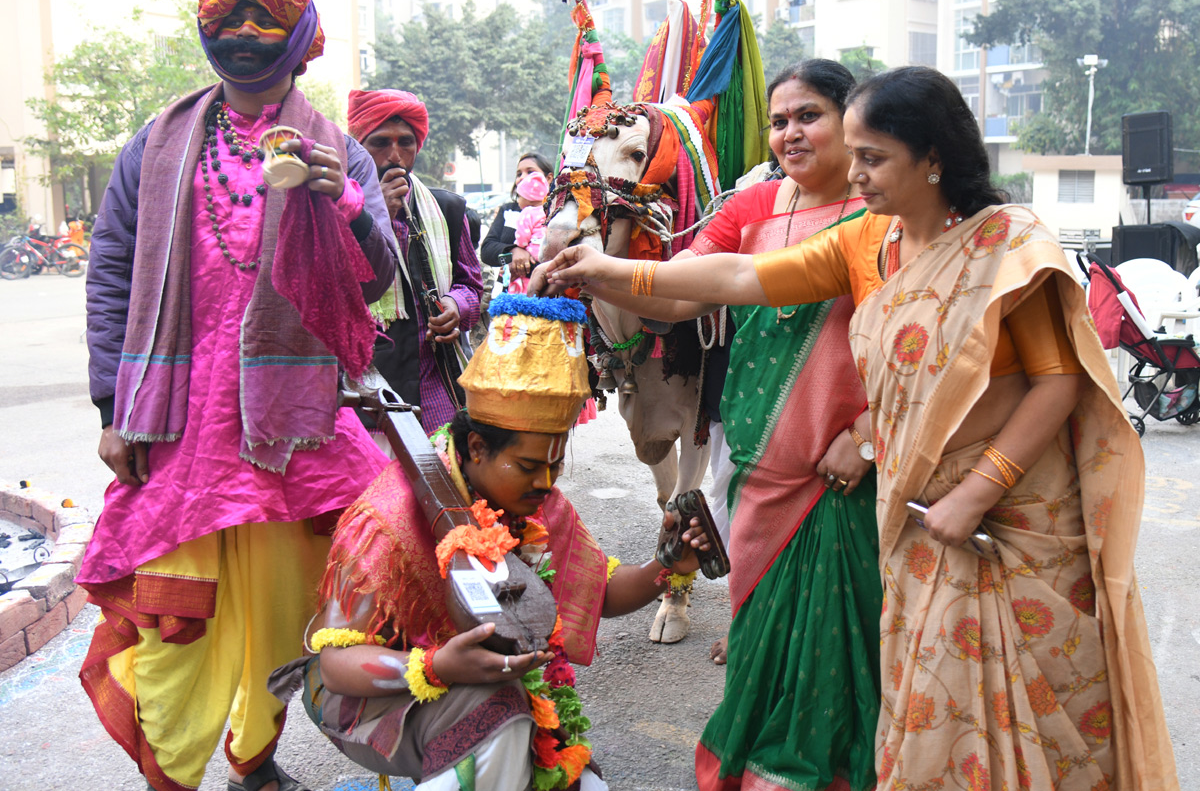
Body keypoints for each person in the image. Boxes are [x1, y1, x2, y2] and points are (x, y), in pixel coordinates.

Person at [537, 66, 1179, 790]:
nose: (858, 174)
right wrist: (604, 270)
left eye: (872, 157)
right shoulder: (869, 242)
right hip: (915, 515)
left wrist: (977, 489)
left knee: (1022, 703)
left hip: (1009, 514)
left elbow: (1058, 380)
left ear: (931, 155)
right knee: (932, 700)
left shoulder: (1006, 244)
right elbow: (739, 279)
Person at [78, 0, 397, 791]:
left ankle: (253, 762)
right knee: (175, 624)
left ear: (299, 35)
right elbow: (110, 271)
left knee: (287, 614)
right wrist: (112, 405)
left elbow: (374, 284)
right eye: (228, 18)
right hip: (178, 428)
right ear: (207, 31)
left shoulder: (341, 149)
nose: (244, 33)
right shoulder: (157, 142)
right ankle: (172, 777)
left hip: (292, 432)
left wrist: (348, 206)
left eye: (264, 18)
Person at [549, 60, 882, 791]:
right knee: (762, 649)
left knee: (839, 657)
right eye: (779, 119)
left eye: (810, 115)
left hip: (845, 475)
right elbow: (678, 297)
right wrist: (597, 273)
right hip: (759, 463)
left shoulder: (881, 214)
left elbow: (916, 350)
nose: (790, 132)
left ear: (851, 120)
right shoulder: (750, 205)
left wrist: (866, 437)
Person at [268, 294, 712, 790]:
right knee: (500, 717)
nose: (546, 482)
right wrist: (437, 665)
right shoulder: (385, 519)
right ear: (476, 448)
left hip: (488, 685)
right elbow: (335, 666)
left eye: (555, 464)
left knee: (581, 781)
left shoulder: (536, 500)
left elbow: (599, 591)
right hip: (367, 699)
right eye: (528, 466)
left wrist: (669, 563)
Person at [348, 88, 483, 436]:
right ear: (359, 146)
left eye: (405, 142)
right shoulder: (340, 210)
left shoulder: (448, 210)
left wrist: (455, 305)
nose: (395, 155)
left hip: (439, 385)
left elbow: (471, 284)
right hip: (367, 388)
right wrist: (378, 216)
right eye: (380, 143)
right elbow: (331, 288)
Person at [480, 151, 554, 279]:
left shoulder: (556, 211)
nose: (522, 177)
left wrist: (523, 267)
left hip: (547, 288)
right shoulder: (508, 211)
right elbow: (487, 250)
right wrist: (513, 252)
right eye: (519, 174)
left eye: (530, 172)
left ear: (548, 178)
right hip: (508, 290)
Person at [507, 172, 550, 293]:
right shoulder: (548, 211)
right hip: (547, 254)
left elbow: (522, 237)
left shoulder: (527, 212)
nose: (518, 201)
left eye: (519, 197)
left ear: (527, 198)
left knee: (526, 282)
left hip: (533, 255)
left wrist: (519, 247)